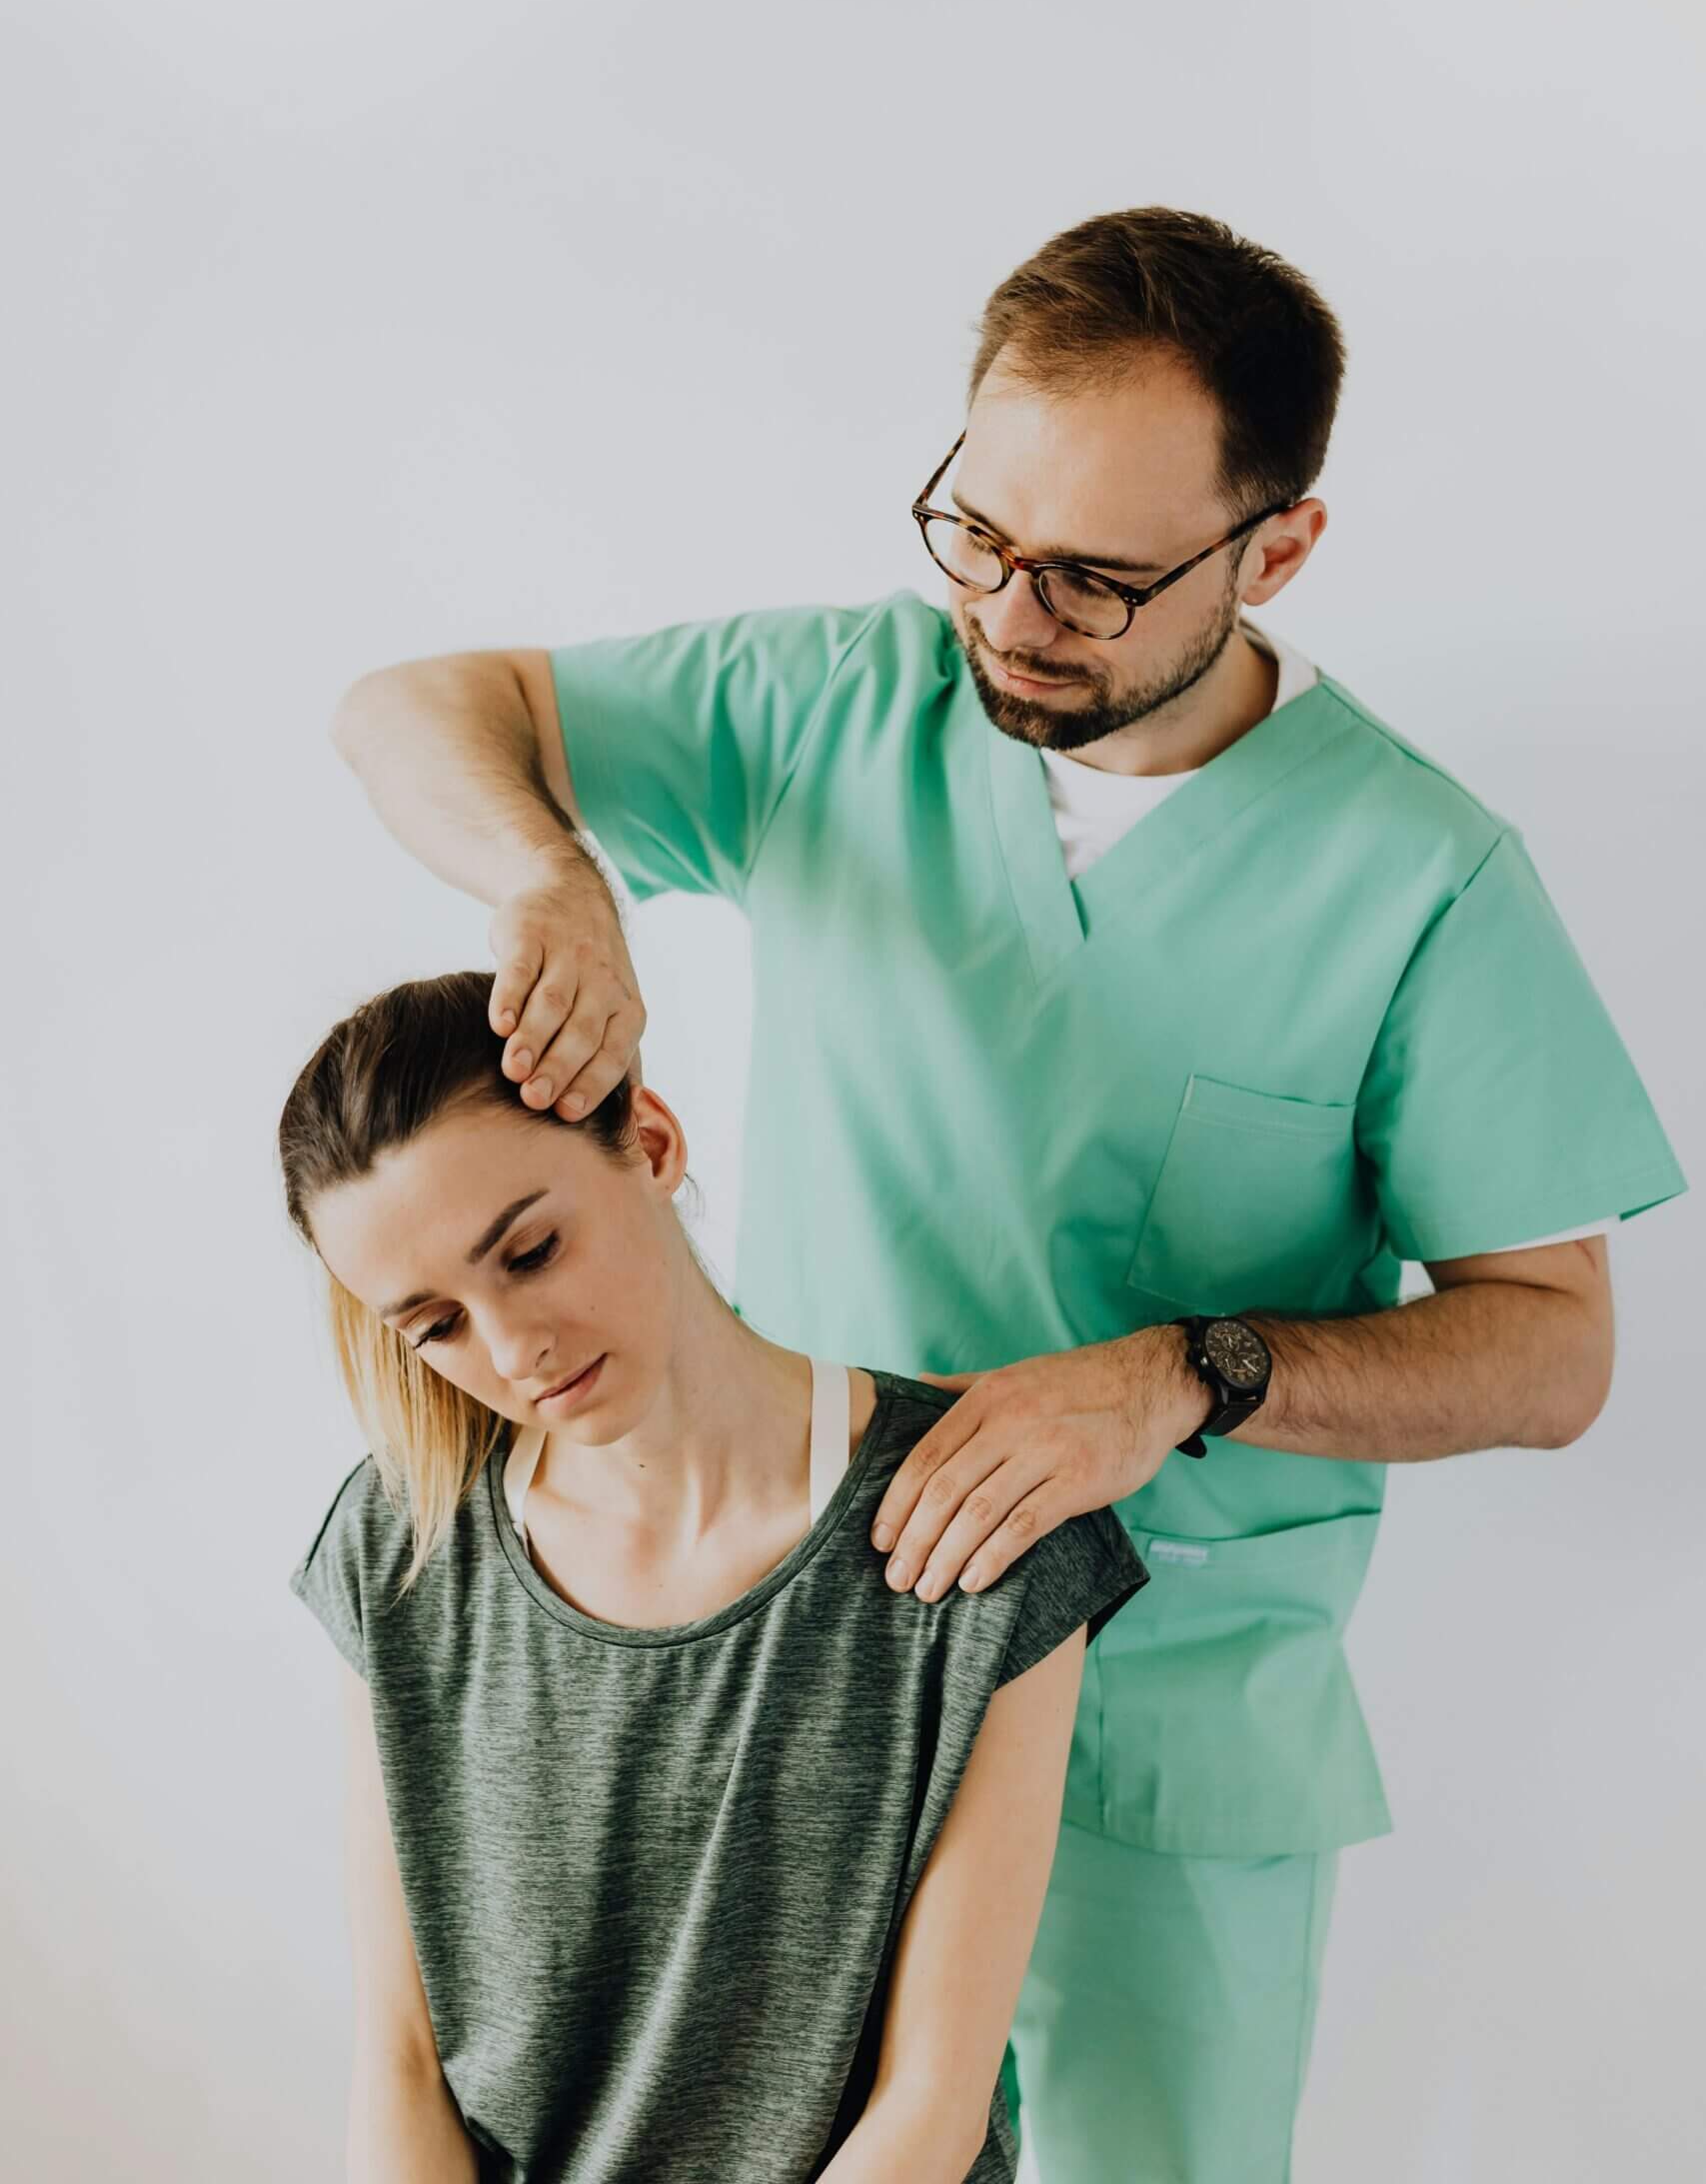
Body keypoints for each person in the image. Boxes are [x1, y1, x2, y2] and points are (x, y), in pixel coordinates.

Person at [327, 205, 1688, 2183]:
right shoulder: (834, 704)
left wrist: (1181, 1374)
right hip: (809, 1687)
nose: (1011, 609)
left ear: (1276, 547)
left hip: (1161, 1731)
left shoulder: (1421, 878)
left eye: (1097, 578)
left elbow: (1551, 1352)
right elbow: (410, 706)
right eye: (973, 531)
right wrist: (549, 874)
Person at [280, 969, 1146, 2184]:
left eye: (530, 1251)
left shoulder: (981, 1521)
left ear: (650, 1141)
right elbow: (403, 2066)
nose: (514, 1349)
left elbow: (930, 2107)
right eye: (437, 1325)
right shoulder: (402, 1545)